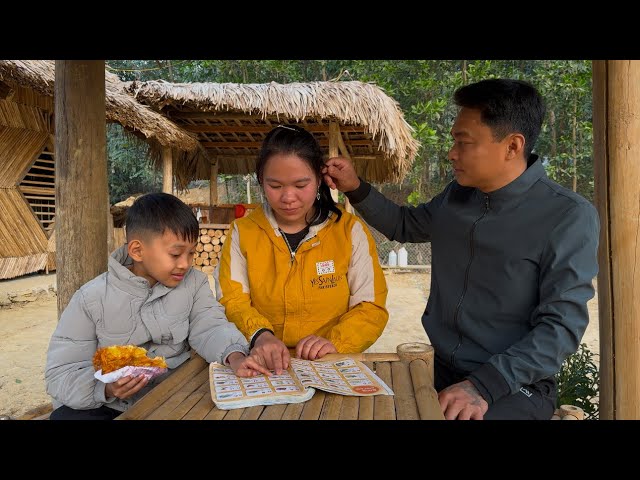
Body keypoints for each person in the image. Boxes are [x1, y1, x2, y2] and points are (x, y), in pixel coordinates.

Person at [323, 78, 599, 420]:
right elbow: (404, 225)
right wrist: (355, 187)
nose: (452, 153)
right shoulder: (457, 196)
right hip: (437, 366)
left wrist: (482, 386)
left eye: (463, 142)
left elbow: (560, 328)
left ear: (512, 146)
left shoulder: (567, 216)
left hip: (511, 382)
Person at [45, 193, 270, 420]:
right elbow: (62, 373)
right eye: (175, 254)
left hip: (175, 393)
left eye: (191, 253)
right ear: (137, 251)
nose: (185, 264)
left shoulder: (193, 283)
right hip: (111, 404)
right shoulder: (91, 298)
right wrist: (106, 389)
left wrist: (235, 356)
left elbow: (211, 325)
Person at [215, 124, 389, 374]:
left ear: (319, 180)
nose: (288, 197)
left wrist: (335, 342)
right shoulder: (242, 232)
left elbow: (371, 307)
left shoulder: (349, 231)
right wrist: (260, 335)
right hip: (262, 364)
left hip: (331, 364)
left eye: (300, 185)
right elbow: (232, 300)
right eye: (275, 186)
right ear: (261, 181)